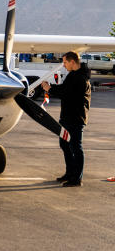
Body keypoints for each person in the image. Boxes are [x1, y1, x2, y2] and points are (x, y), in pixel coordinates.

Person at [41, 51, 91, 187]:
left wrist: (49, 89)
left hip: (76, 118)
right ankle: (70, 173)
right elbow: (65, 89)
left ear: (72, 62)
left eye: (65, 62)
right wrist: (50, 88)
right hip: (67, 117)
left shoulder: (80, 78)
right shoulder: (74, 75)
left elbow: (67, 93)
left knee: (75, 147)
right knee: (64, 145)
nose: (63, 65)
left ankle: (76, 179)